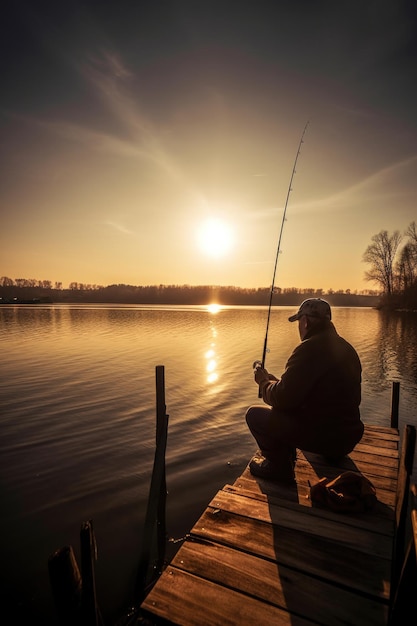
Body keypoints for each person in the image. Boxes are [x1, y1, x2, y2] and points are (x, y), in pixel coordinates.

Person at [246, 298, 364, 483]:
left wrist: (263, 383)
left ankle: (279, 467)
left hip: (327, 439)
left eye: (299, 322)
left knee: (254, 416)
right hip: (347, 439)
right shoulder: (346, 348)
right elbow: (309, 390)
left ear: (306, 321)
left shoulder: (308, 348)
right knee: (286, 406)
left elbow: (282, 398)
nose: (299, 327)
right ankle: (317, 454)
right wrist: (272, 381)